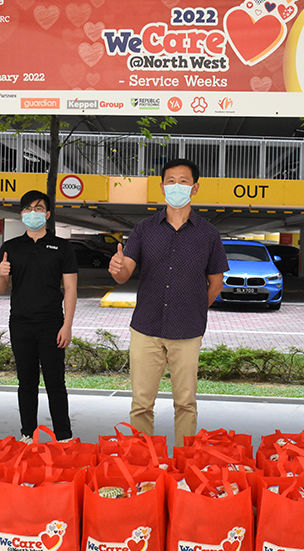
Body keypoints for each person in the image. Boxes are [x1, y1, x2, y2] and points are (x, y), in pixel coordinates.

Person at [108, 158, 229, 446]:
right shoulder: (144, 230)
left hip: (187, 331)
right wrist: (118, 268)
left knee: (185, 403)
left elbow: (216, 283)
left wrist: (194, 308)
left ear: (195, 188)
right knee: (140, 404)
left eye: (183, 181)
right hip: (145, 328)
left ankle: (185, 468)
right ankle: (142, 464)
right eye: (170, 181)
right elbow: (125, 273)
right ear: (162, 187)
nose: (177, 186)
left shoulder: (209, 235)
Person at [0, 190, 78, 443]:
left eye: (39, 208)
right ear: (21, 214)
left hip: (52, 324)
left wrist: (67, 325)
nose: (34, 213)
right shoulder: (10, 248)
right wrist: (1, 273)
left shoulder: (62, 247)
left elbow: (71, 288)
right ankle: (27, 434)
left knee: (55, 383)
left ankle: (63, 436)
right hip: (20, 323)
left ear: (48, 214)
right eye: (28, 209)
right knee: (26, 383)